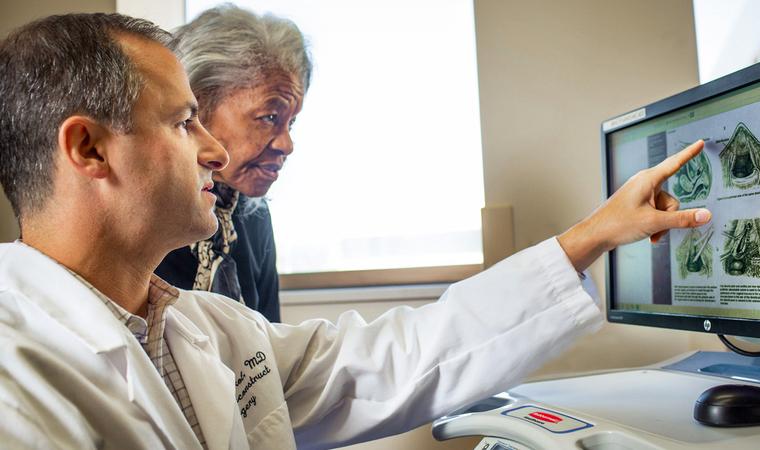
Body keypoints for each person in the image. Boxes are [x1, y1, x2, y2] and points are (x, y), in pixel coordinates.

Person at [0, 12, 711, 450]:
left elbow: (386, 359)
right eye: (186, 121)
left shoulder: (203, 328)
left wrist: (593, 234)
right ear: (89, 149)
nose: (212, 152)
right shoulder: (16, 381)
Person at [155, 6, 310, 322]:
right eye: (268, 118)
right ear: (196, 106)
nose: (287, 145)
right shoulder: (144, 212)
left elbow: (270, 345)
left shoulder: (253, 213)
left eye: (290, 123)